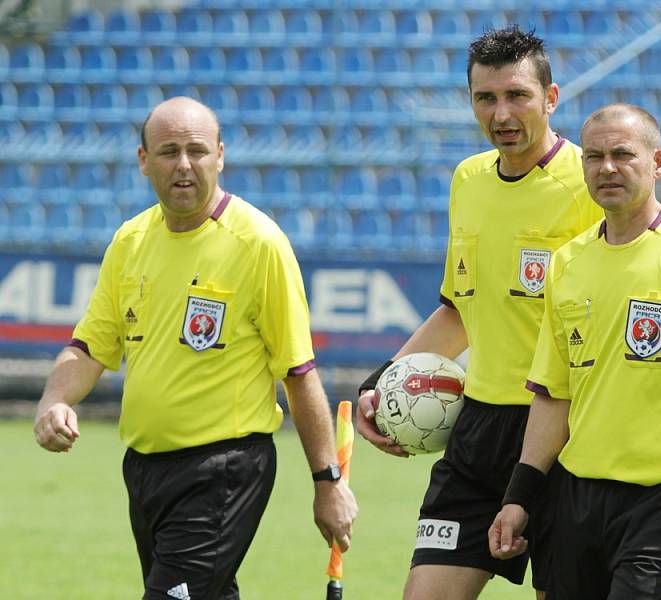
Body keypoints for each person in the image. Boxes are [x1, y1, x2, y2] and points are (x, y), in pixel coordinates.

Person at [33, 96, 358, 600]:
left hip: (223, 469)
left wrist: (328, 482)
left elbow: (298, 372)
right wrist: (54, 402)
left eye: (197, 150)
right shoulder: (129, 241)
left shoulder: (259, 244)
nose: (184, 165)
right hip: (142, 468)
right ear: (143, 161)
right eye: (168, 152)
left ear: (220, 156)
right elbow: (90, 348)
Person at [356, 26, 604, 600]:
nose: (502, 113)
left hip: (566, 434)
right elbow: (459, 310)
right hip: (478, 429)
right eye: (485, 98)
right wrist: (380, 384)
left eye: (517, 95)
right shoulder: (468, 179)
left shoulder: (591, 184)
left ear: (552, 97)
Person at [489, 103, 661, 599]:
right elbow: (553, 393)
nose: (606, 167)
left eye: (623, 154)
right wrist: (519, 497)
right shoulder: (567, 262)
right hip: (573, 494)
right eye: (593, 156)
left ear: (658, 163)